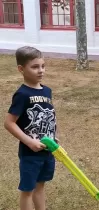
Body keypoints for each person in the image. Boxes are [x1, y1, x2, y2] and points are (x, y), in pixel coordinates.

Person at [4, 46, 58, 210]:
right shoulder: (22, 94)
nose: (40, 70)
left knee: (40, 186)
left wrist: (55, 135)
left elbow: (50, 115)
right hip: (30, 154)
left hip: (47, 151)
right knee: (28, 190)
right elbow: (9, 123)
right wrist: (29, 142)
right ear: (21, 69)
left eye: (42, 66)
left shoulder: (47, 91)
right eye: (35, 67)